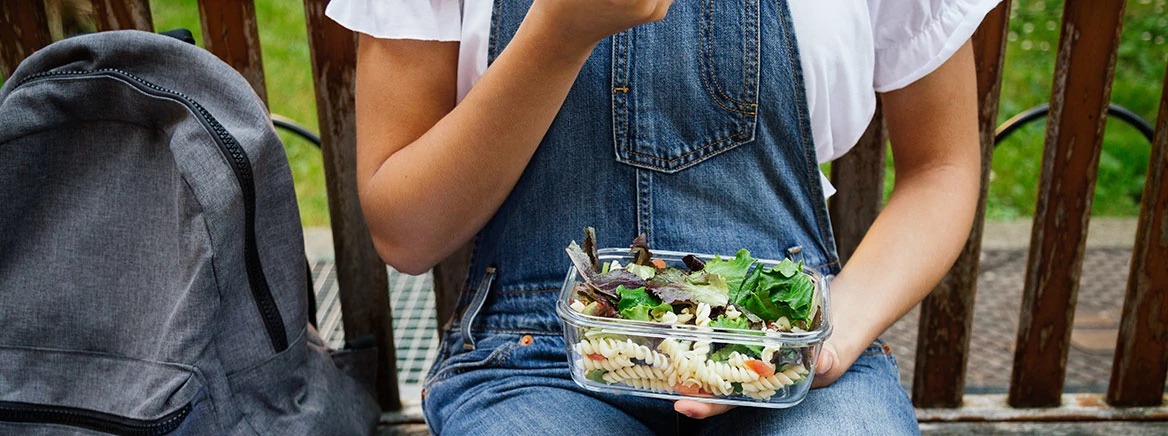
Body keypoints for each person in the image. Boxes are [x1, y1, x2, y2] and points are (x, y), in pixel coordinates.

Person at [326, 0, 999, 434]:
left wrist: (824, 334)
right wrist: (559, 36)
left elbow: (940, 169)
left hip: (789, 356)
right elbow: (406, 233)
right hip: (536, 360)